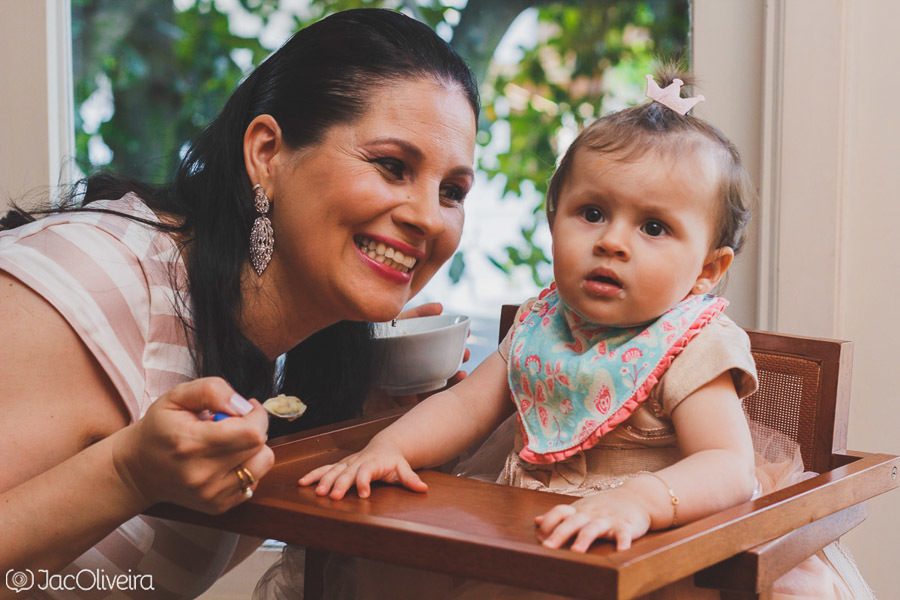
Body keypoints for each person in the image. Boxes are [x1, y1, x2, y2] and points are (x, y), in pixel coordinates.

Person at [301, 68, 873, 599]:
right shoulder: (540, 324)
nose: (612, 241)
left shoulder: (693, 344)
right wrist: (387, 448)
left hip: (655, 552)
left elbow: (728, 466)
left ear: (707, 270)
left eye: (653, 227)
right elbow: (461, 408)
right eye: (592, 213)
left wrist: (643, 502)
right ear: (553, 222)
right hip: (531, 538)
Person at [0, 8, 478, 600]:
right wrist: (126, 474)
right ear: (268, 153)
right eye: (391, 166)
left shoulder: (300, 357)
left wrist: (370, 426)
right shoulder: (84, 281)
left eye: (452, 191)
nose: (429, 217)